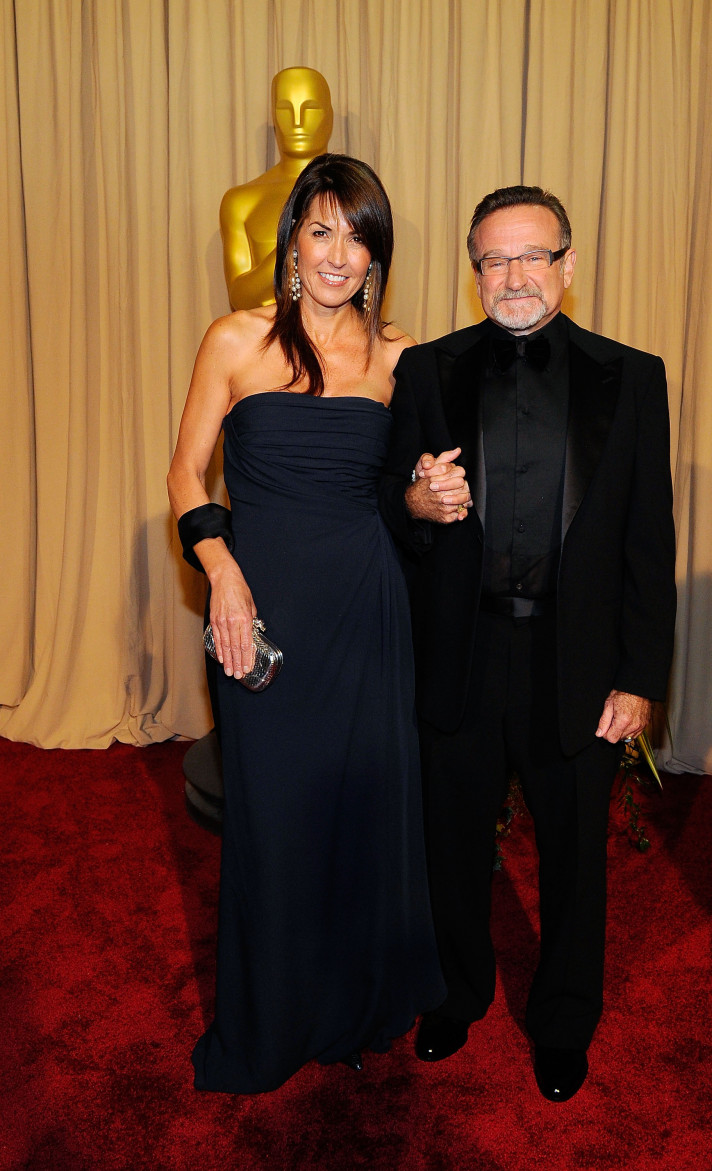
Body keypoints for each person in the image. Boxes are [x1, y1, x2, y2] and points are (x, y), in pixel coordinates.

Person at [167, 154, 469, 1093]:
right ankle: (272, 1015)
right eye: (323, 230)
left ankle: (355, 1002)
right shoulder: (236, 339)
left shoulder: (400, 356)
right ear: (292, 241)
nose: (340, 254)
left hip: (368, 606)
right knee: (275, 815)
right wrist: (220, 569)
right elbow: (184, 476)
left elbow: (403, 496)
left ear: (378, 254)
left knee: (363, 809)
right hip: (258, 608)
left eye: (359, 235)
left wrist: (430, 497)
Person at [379, 185, 676, 1102]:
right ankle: (457, 994)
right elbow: (390, 505)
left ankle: (563, 1020)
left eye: (531, 256)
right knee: (450, 843)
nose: (513, 275)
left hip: (576, 661)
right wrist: (417, 505)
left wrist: (639, 675)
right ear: (474, 274)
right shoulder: (426, 372)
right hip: (461, 654)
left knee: (576, 853)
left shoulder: (634, 376)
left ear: (568, 265)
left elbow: (648, 540)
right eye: (493, 260)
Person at [220, 67, 333, 310]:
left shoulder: (355, 195)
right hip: (267, 340)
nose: (297, 121)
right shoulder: (241, 201)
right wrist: (292, 244)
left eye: (310, 108)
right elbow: (239, 298)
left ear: (329, 116)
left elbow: (370, 291)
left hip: (340, 342)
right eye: (284, 109)